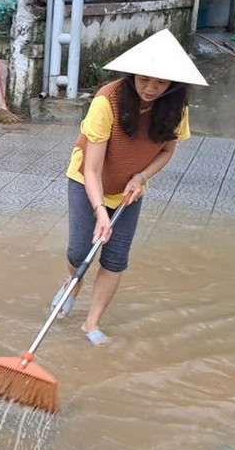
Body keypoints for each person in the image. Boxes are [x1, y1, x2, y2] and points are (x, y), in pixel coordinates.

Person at [54, 29, 208, 345]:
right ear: (132, 75)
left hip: (129, 189)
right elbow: (93, 169)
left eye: (161, 82)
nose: (151, 88)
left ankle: (91, 324)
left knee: (115, 258)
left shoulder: (176, 109)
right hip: (88, 180)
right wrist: (100, 211)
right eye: (144, 79)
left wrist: (142, 177)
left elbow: (166, 151)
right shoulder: (106, 101)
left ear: (173, 85)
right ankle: (74, 281)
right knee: (81, 250)